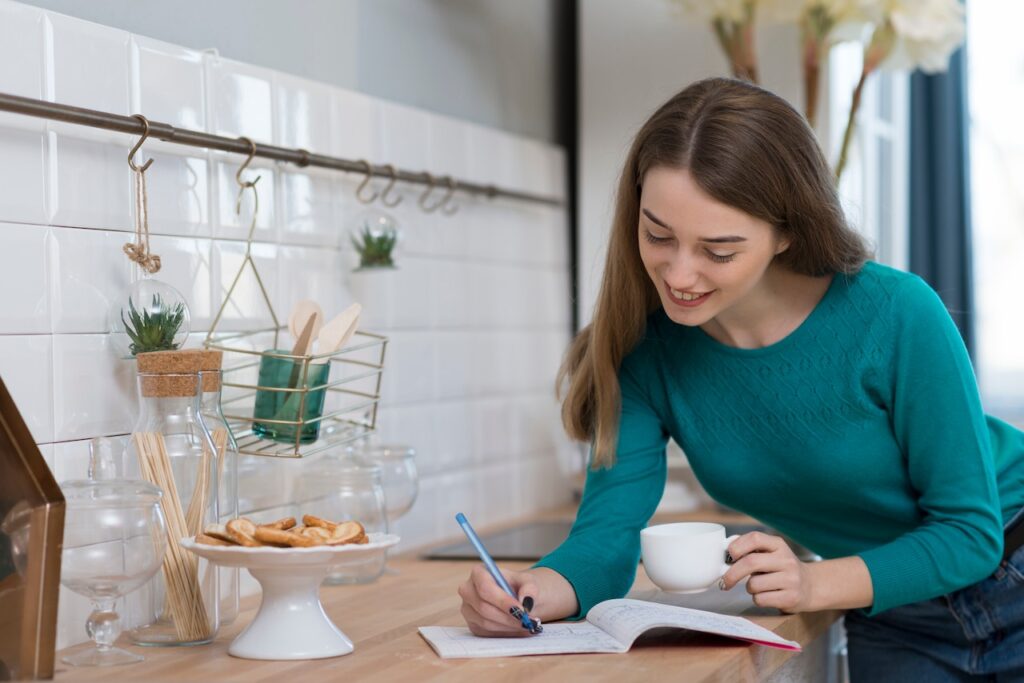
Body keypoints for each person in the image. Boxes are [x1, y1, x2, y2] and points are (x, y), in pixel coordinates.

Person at [457, 77, 1024, 681]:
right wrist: (533, 589)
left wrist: (811, 581)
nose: (679, 274)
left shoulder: (897, 313)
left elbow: (968, 533)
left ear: (787, 231)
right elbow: (607, 534)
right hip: (887, 608)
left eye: (718, 251)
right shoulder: (644, 355)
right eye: (658, 235)